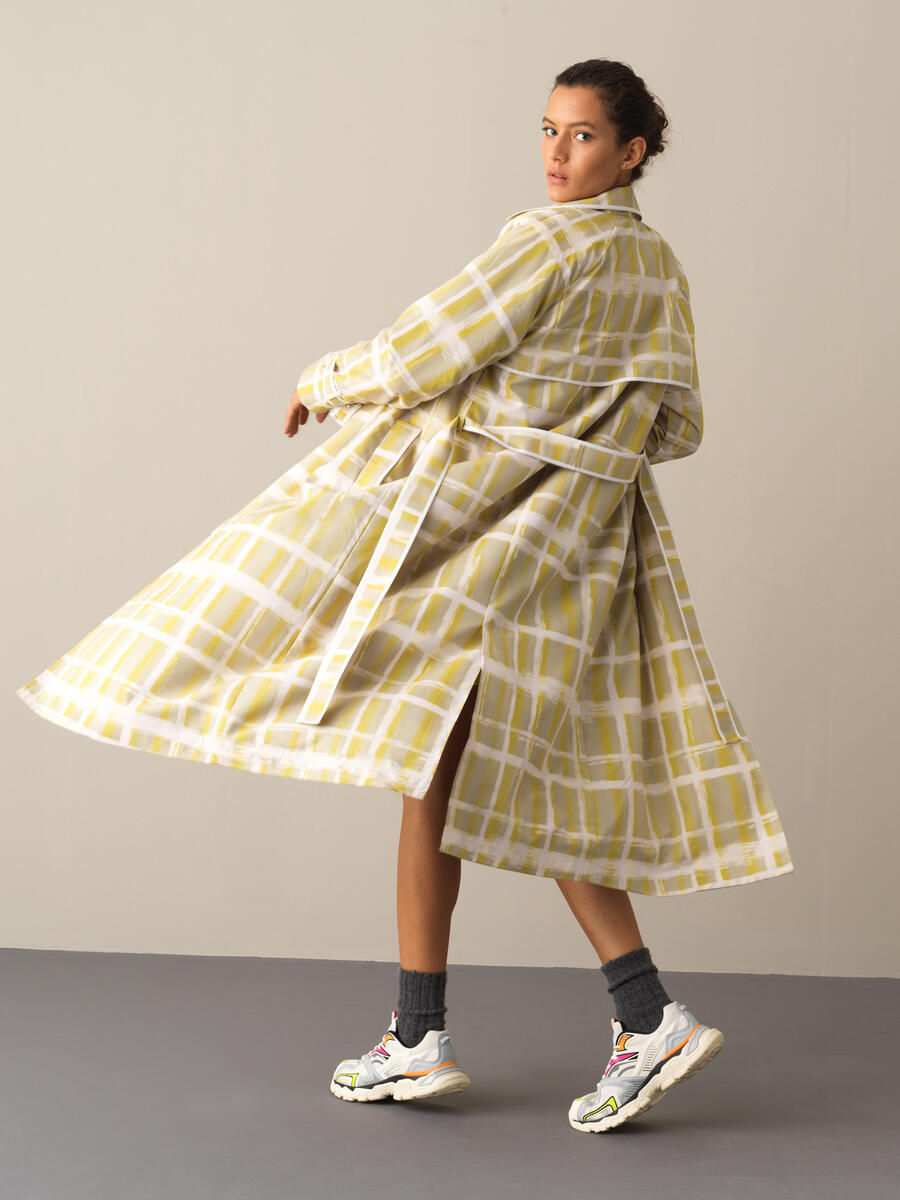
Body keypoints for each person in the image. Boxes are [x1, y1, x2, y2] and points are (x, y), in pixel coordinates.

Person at [17, 57, 792, 1132]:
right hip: (577, 550)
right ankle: (451, 1032)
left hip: (479, 544)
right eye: (549, 130)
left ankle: (616, 1019)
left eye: (581, 136)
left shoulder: (547, 243)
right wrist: (580, 445)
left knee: (420, 731)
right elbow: (678, 425)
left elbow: (426, 351)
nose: (557, 154)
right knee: (462, 770)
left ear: (632, 153)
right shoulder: (658, 267)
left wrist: (323, 381)